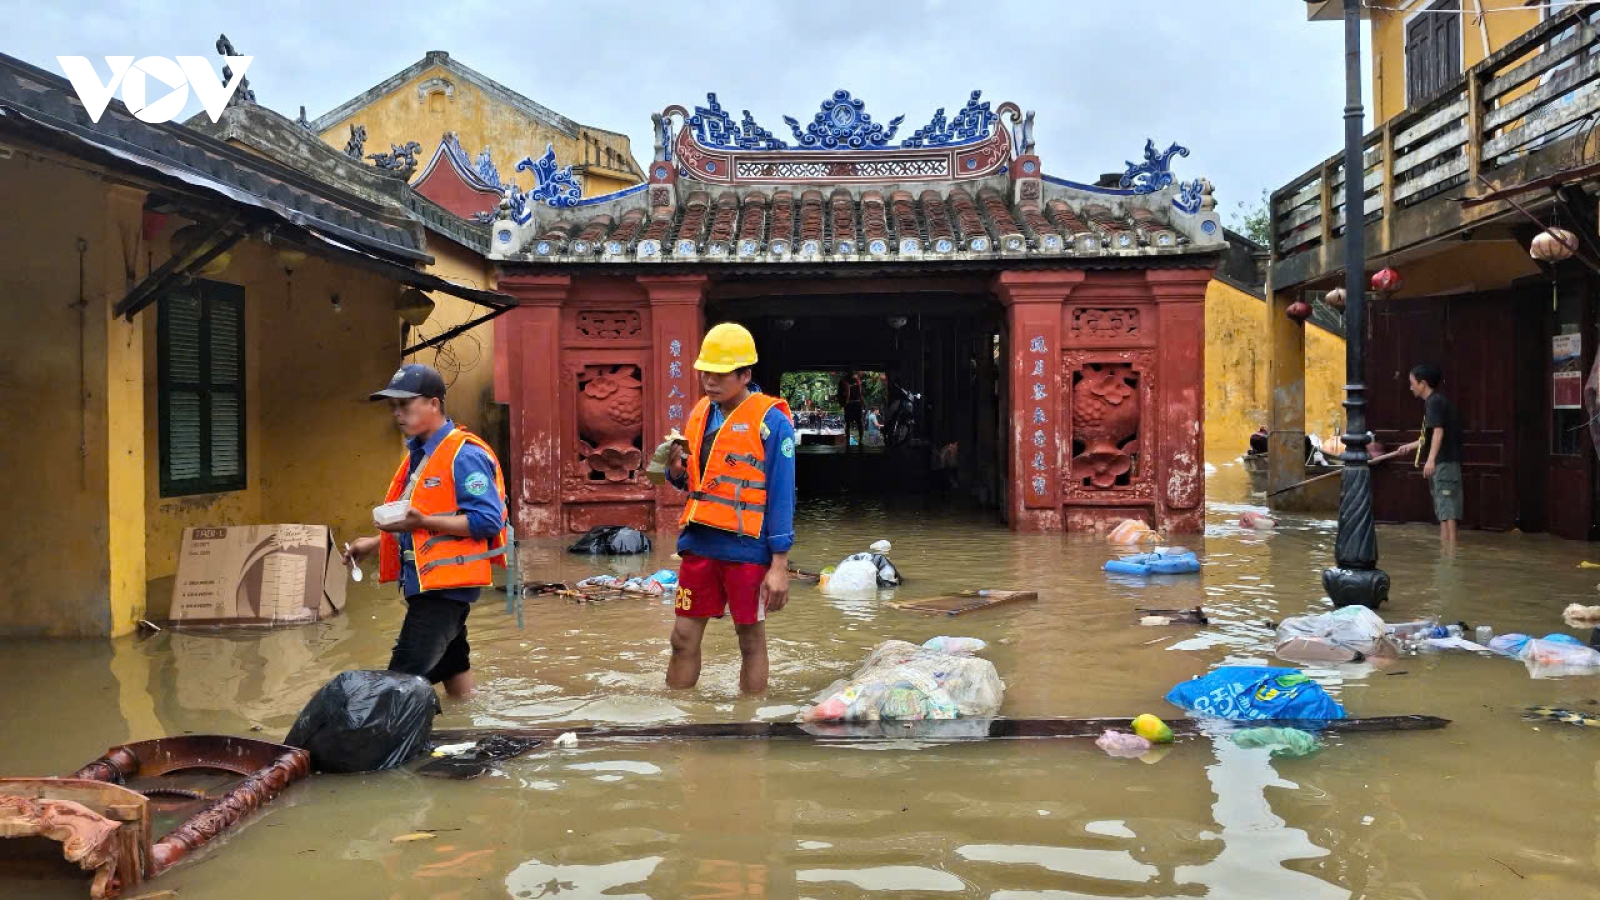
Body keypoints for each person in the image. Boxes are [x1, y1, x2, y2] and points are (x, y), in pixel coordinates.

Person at [342, 363, 508, 700]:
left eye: (405, 404)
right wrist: (374, 543)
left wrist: (422, 522)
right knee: (454, 667)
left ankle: (387, 736)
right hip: (430, 584)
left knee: (397, 685)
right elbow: (421, 522)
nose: (397, 413)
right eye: (393, 407)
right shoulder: (420, 455)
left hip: (444, 590)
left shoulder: (465, 455)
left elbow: (488, 521)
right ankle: (469, 719)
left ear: (434, 403)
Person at [665, 323, 797, 694]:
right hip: (700, 543)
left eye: (720, 374)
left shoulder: (773, 422)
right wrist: (675, 470)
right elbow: (694, 482)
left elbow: (782, 495)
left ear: (745, 375)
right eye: (705, 372)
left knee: (750, 641)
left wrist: (779, 565)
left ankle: (748, 722)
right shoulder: (701, 413)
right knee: (681, 637)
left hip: (747, 549)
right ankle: (676, 717)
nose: (710, 381)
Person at [1397, 362, 1463, 545]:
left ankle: (1451, 555)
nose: (1411, 388)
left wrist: (1431, 460)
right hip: (1442, 464)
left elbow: (1438, 432)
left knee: (1448, 511)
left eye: (1412, 383)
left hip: (1444, 463)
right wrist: (1410, 446)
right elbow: (1429, 437)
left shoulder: (1434, 402)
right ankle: (1446, 554)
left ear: (1423, 383)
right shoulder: (1434, 403)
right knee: (1443, 511)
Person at [837, 372, 866, 448]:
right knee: (857, 422)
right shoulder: (851, 381)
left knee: (851, 423)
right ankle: (858, 440)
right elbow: (856, 392)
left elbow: (848, 393)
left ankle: (856, 440)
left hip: (852, 404)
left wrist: (845, 402)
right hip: (854, 403)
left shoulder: (846, 381)